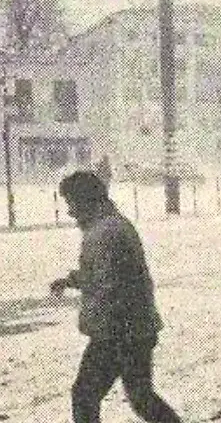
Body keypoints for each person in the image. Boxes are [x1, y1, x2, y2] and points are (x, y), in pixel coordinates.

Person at [50, 171, 182, 423]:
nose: (70, 212)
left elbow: (109, 283)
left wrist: (103, 325)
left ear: (87, 201)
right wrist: (73, 280)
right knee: (141, 397)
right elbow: (107, 274)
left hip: (118, 331)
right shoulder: (110, 225)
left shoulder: (105, 232)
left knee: (85, 396)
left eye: (72, 204)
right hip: (133, 328)